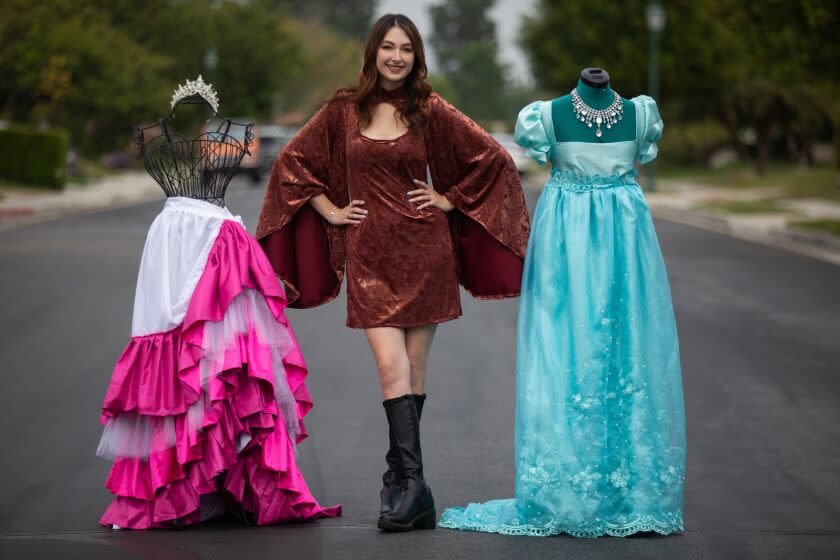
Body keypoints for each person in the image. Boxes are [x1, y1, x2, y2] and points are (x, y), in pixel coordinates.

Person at [256, 14, 530, 532]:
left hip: (426, 253)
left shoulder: (429, 109)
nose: (397, 57)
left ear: (416, 55)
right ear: (373, 53)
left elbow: (492, 159)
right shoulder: (343, 110)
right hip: (370, 259)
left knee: (413, 373)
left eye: (406, 48)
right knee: (391, 369)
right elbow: (293, 164)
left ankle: (402, 484)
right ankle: (414, 486)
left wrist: (448, 198)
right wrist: (331, 210)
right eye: (389, 47)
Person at [439, 72, 686, 538]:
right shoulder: (545, 117)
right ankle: (566, 488)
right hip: (563, 248)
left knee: (627, 352)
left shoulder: (640, 115)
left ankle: (630, 488)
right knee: (563, 355)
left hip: (627, 248)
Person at [96, 76, 340, 529]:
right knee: (171, 346)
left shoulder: (234, 133)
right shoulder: (154, 134)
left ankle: (229, 475)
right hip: (172, 241)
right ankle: (180, 484)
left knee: (228, 359)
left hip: (220, 240)